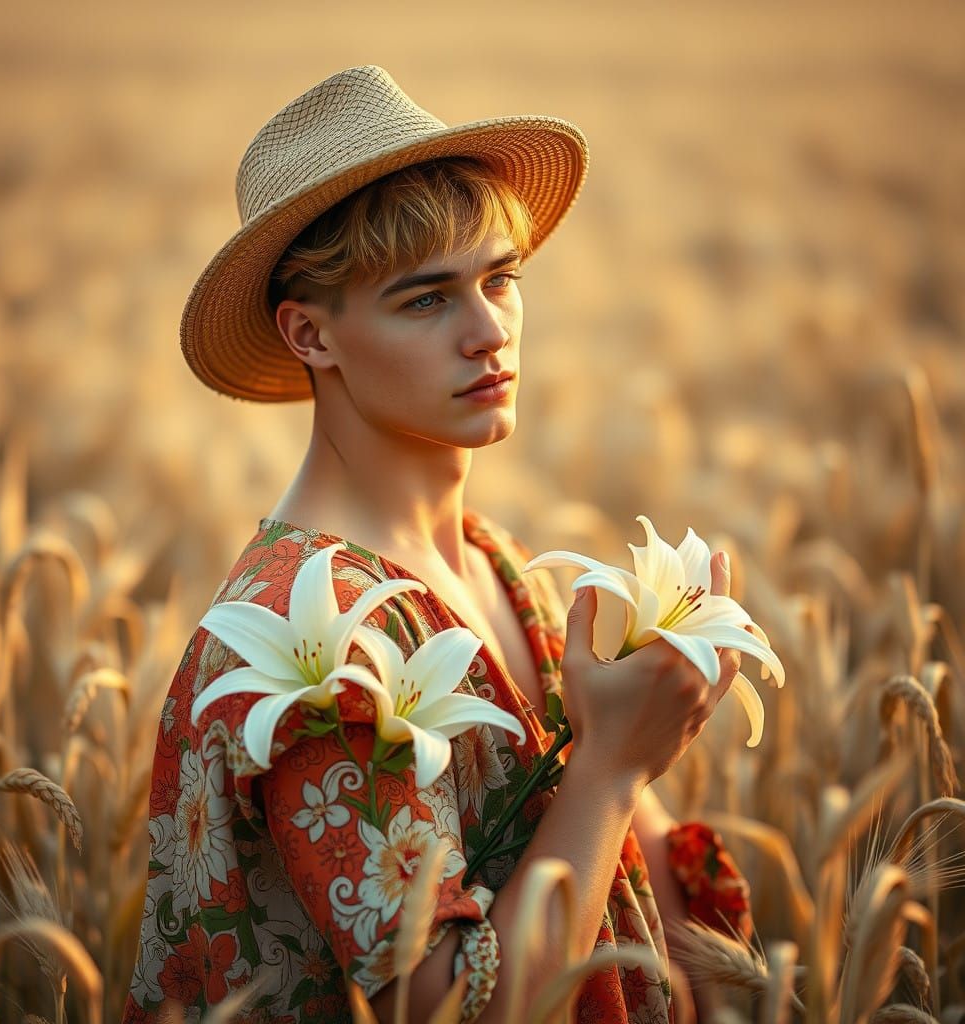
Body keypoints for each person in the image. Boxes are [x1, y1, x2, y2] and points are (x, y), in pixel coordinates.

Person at [123, 65, 753, 1024]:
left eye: (502, 279)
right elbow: (453, 1010)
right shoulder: (307, 646)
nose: (490, 330)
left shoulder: (498, 562)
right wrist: (615, 767)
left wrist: (662, 717)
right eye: (426, 300)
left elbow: (638, 896)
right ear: (310, 334)